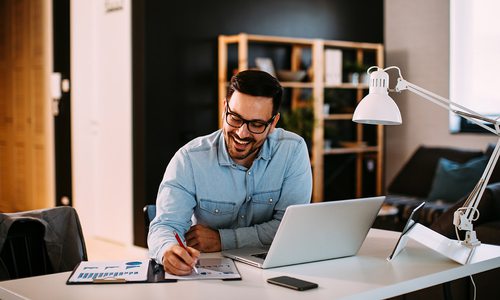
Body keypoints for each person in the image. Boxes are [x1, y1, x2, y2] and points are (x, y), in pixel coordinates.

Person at [148, 69, 312, 275]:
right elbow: (165, 226)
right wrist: (167, 250)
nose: (242, 133)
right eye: (235, 118)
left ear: (273, 123)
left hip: (273, 270)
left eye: (257, 124)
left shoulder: (292, 150)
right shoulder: (190, 159)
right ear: (224, 108)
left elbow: (288, 227)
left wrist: (222, 239)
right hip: (209, 274)